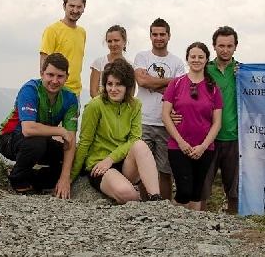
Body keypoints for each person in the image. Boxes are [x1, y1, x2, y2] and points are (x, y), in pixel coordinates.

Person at [71, 59, 163, 203]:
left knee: (140, 145)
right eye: (109, 84)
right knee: (125, 193)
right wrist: (71, 177)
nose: (113, 89)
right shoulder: (95, 106)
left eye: (119, 84)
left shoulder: (135, 105)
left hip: (124, 162)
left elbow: (134, 139)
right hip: (99, 165)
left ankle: (156, 198)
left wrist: (111, 159)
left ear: (127, 85)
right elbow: (84, 142)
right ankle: (139, 202)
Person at [0, 53, 78, 199]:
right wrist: (60, 130)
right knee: (36, 143)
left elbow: (70, 140)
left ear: (67, 77)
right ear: (42, 73)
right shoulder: (30, 89)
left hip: (40, 140)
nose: (54, 80)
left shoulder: (70, 98)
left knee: (73, 160)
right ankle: (18, 180)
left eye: (60, 76)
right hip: (10, 137)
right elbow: (28, 129)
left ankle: (33, 178)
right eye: (50, 75)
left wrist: (65, 177)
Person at [161, 42, 222, 210]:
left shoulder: (213, 88)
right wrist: (180, 142)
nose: (196, 60)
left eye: (200, 57)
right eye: (193, 57)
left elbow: (217, 122)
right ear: (187, 59)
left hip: (204, 148)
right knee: (184, 192)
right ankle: (169, 222)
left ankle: (193, 233)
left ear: (207, 60)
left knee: (197, 192)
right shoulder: (176, 83)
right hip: (178, 146)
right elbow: (165, 115)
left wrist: (203, 146)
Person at [133, 18, 185, 200]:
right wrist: (169, 84)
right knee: (143, 167)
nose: (158, 37)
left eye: (162, 34)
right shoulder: (142, 57)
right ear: (150, 36)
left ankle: (163, 207)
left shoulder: (177, 62)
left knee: (165, 169)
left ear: (169, 36)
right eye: (155, 34)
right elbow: (141, 81)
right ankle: (145, 203)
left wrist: (152, 83)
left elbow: (179, 89)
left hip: (166, 122)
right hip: (143, 120)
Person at [201, 26, 240, 214]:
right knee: (203, 185)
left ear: (235, 47)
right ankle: (200, 224)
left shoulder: (242, 72)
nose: (225, 50)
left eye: (229, 46)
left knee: (234, 187)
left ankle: (234, 225)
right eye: (221, 45)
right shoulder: (204, 70)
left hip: (234, 136)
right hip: (207, 137)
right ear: (214, 46)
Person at [40, 0, 87, 96]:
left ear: (84, 8)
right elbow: (44, 63)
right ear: (64, 6)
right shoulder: (52, 30)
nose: (75, 10)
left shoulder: (82, 32)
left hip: (75, 93)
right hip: (56, 90)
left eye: (79, 7)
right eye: (71, 6)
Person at [89, 25, 129, 98]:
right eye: (110, 41)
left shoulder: (130, 66)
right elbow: (93, 91)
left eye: (116, 40)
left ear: (124, 41)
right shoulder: (99, 62)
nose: (113, 44)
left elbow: (130, 93)